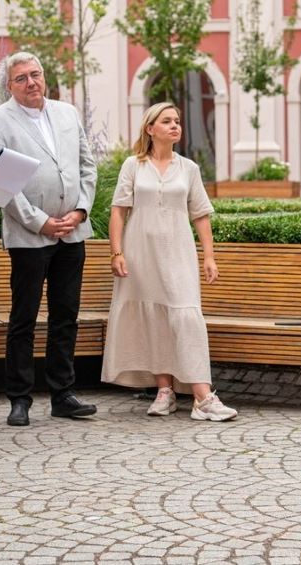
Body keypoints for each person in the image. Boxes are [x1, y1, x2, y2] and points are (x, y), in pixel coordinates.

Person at [0, 51, 98, 427]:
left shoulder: (67, 113)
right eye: (21, 78)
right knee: (24, 317)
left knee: (66, 316)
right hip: (29, 236)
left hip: (73, 231)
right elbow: (0, 185)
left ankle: (63, 393)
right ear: (9, 86)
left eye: (36, 74)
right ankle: (19, 398)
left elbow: (86, 165)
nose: (31, 82)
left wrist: (80, 210)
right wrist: (41, 222)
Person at [101, 102, 237, 422]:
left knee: (186, 315)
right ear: (151, 129)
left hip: (178, 250)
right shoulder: (133, 166)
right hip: (140, 252)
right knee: (154, 317)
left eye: (177, 121)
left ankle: (203, 397)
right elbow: (119, 211)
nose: (175, 125)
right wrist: (116, 252)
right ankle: (165, 391)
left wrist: (209, 256)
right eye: (167, 121)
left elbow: (200, 214)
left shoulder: (189, 168)